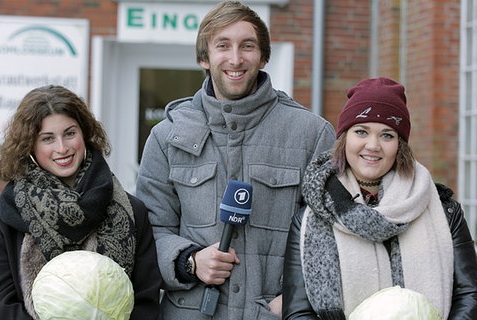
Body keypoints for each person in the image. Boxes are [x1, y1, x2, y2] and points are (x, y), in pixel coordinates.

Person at [134, 1, 336, 319]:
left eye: (248, 46)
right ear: (204, 57)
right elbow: (149, 232)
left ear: (263, 56)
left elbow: (328, 234)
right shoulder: (167, 136)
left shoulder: (311, 134)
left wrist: (297, 298)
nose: (236, 58)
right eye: (223, 46)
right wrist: (189, 260)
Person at [282, 77, 477, 319]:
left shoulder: (445, 212)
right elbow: (298, 312)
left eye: (387, 135)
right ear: (344, 138)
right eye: (361, 132)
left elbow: (470, 295)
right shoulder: (310, 218)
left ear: (400, 145)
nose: (373, 145)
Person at [0, 85, 162, 319]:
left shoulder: (133, 211)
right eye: (47, 138)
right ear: (29, 146)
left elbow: (146, 301)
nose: (62, 148)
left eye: (70, 133)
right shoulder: (8, 213)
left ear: (85, 134)